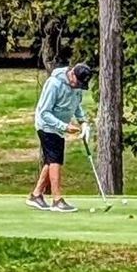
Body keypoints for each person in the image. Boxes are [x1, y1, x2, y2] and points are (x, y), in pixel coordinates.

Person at [28, 62, 94, 212]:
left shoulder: (76, 87)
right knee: (56, 161)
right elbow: (44, 112)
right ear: (71, 74)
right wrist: (64, 126)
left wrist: (83, 122)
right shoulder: (54, 84)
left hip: (58, 128)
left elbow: (77, 105)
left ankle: (36, 195)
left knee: (51, 161)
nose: (78, 87)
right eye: (77, 83)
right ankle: (57, 200)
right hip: (46, 126)